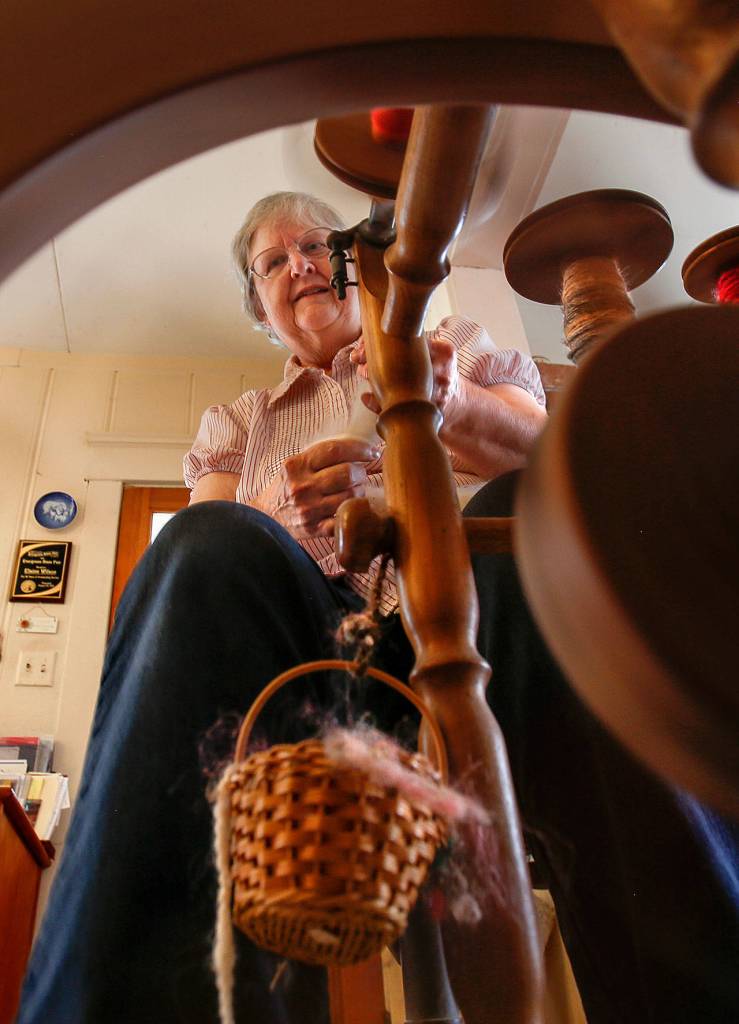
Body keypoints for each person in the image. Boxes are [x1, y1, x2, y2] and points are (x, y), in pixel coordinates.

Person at [17, 192, 738, 1024]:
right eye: (273, 261)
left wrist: (433, 418)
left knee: (520, 512)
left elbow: (552, 455)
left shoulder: (451, 346)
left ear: (356, 262)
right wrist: (285, 526)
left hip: (484, 638)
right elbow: (208, 540)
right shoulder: (238, 423)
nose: (301, 265)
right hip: (312, 668)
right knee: (207, 548)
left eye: (316, 246)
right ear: (259, 305)